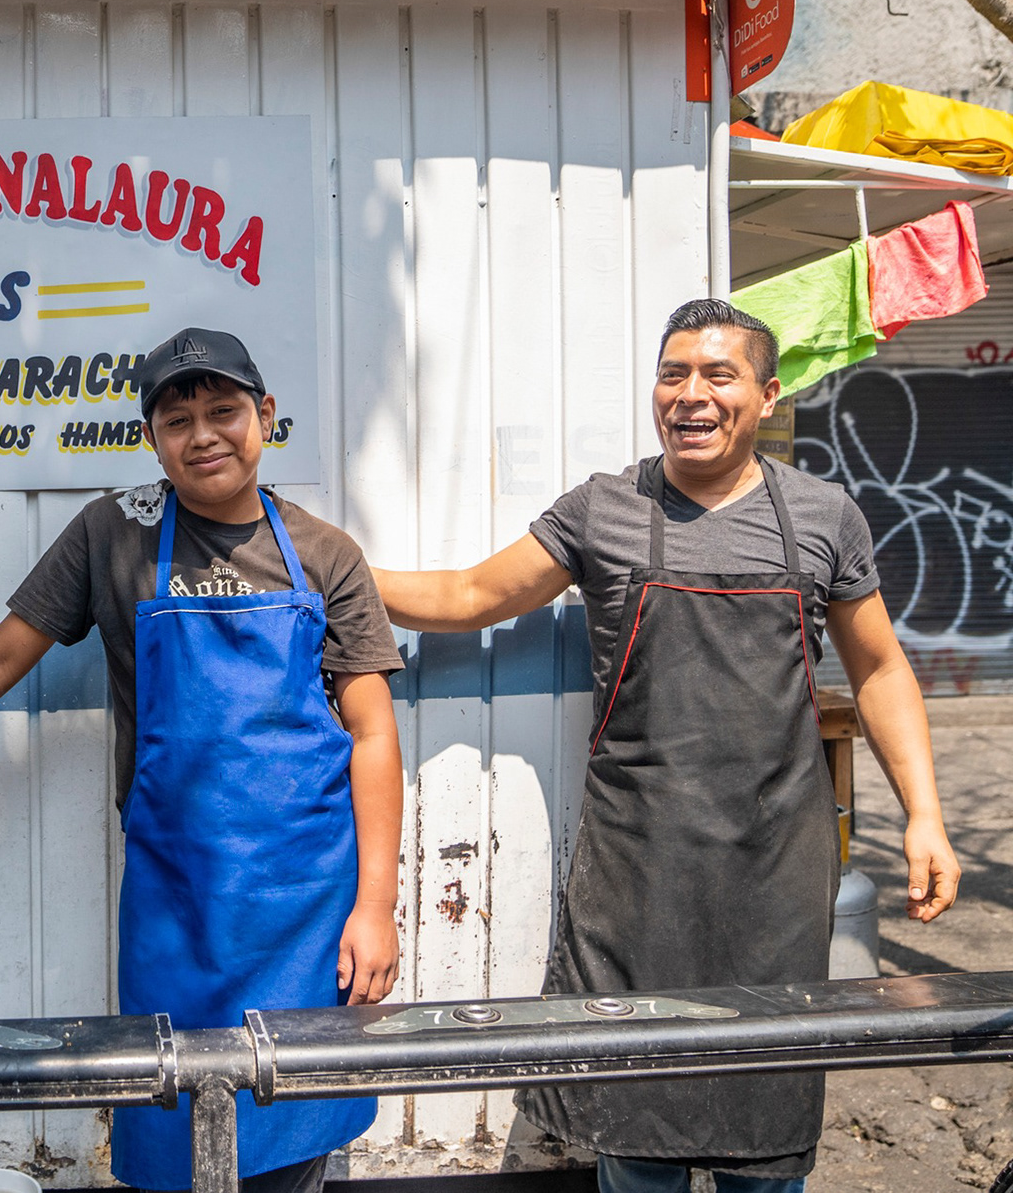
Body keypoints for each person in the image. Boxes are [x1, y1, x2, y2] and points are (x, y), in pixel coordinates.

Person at [0, 327, 406, 1193]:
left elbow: (373, 734)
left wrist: (374, 905)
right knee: (170, 1123)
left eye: (224, 411)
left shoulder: (325, 553)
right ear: (151, 438)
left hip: (304, 903)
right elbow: (3, 655)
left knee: (295, 1127)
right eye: (178, 420)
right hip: (176, 901)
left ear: (265, 416)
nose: (203, 436)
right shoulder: (113, 533)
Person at [371, 298, 960, 1193]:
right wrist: (327, 566)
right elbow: (468, 596)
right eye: (673, 374)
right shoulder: (604, 509)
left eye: (719, 375)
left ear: (766, 396)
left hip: (775, 870)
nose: (691, 394)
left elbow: (879, 670)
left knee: (766, 1135)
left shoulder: (823, 516)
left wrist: (925, 817)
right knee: (634, 1130)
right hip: (636, 870)